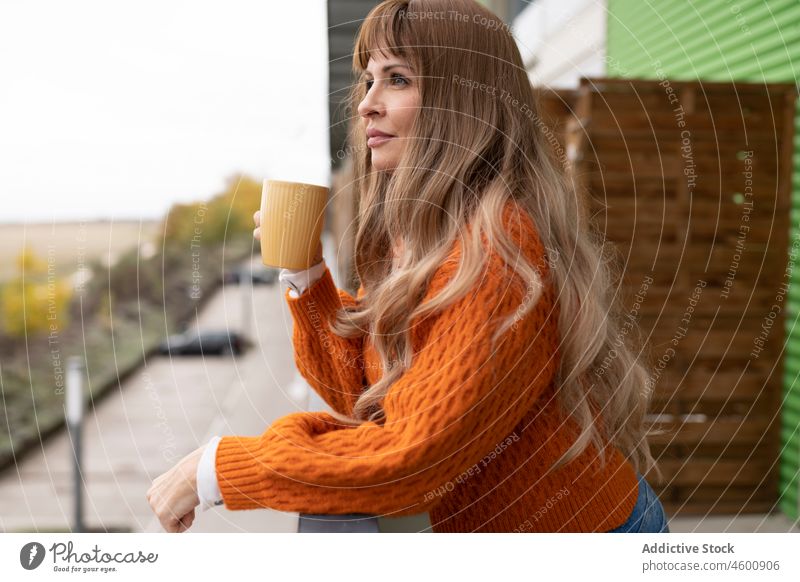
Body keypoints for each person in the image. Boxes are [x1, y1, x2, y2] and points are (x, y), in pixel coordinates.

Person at [147, 0, 669, 533]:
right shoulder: (430, 235)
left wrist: (215, 469)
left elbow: (410, 457)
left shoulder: (493, 250)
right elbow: (372, 399)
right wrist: (306, 278)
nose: (367, 104)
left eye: (397, 79)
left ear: (463, 100)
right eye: (367, 80)